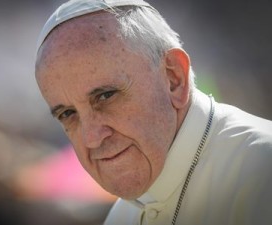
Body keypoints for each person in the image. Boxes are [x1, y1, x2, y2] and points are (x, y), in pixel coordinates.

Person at [34, 0, 272, 224]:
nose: (92, 138)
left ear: (173, 78)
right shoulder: (122, 215)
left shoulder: (263, 169)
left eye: (105, 96)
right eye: (68, 114)